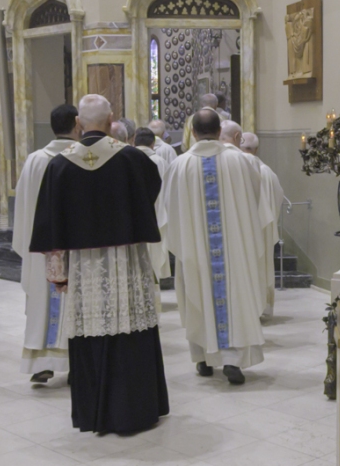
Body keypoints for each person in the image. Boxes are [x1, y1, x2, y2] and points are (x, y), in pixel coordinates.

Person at [29, 93, 169, 435]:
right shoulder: (132, 159)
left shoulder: (60, 165)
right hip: (126, 264)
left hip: (85, 269)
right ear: (111, 121)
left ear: (79, 123)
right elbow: (151, 190)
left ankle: (93, 413)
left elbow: (49, 221)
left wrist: (58, 272)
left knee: (90, 331)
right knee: (130, 329)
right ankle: (134, 411)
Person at [159, 108, 273, 384]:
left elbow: (168, 210)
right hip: (234, 248)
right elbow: (257, 198)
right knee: (234, 296)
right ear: (219, 130)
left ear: (193, 132)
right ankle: (232, 360)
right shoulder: (242, 161)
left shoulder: (180, 165)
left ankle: (202, 359)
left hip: (195, 249)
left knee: (198, 295)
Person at [12, 105, 79, 386]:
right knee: (74, 306)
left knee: (42, 302)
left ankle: (42, 365)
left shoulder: (34, 160)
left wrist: (26, 243)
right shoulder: (81, 158)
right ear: (77, 124)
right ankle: (75, 364)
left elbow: (22, 207)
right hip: (74, 250)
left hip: (40, 249)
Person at [239, 132, 289, 317]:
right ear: (257, 149)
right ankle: (262, 308)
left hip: (241, 230)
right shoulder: (267, 171)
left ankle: (243, 311)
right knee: (262, 267)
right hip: (262, 231)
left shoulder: (234, 167)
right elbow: (278, 197)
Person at [133, 128, 172, 284]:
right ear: (153, 143)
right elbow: (168, 191)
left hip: (135, 218)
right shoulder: (160, 162)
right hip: (157, 215)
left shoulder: (127, 159)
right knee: (155, 255)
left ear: (134, 141)